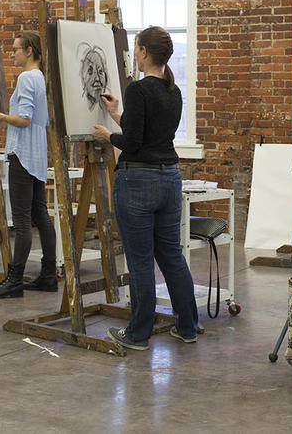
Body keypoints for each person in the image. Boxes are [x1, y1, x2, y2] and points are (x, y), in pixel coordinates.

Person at [92, 26, 199, 350]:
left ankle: (137, 334)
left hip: (138, 181)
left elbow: (134, 141)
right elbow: (150, 134)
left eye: (137, 49)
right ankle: (188, 326)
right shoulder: (173, 91)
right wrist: (116, 114)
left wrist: (108, 135)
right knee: (171, 256)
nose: (135, 53)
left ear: (143, 52)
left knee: (140, 261)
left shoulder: (137, 89)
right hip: (169, 178)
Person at [0, 31, 57, 299]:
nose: (13, 53)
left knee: (23, 220)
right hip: (36, 154)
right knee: (40, 214)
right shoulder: (40, 78)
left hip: (23, 153)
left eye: (16, 49)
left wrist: (2, 117)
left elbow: (24, 119)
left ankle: (14, 280)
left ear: (30, 51)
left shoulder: (26, 77)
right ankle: (49, 275)